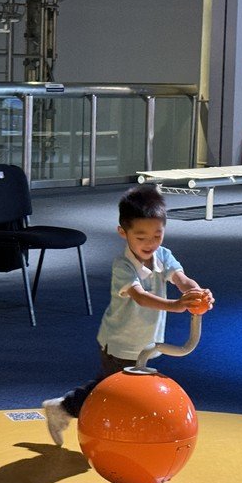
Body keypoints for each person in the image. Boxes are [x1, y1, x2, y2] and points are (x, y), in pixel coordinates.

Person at [42, 184, 213, 446]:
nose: (150, 243)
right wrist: (177, 305)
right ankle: (65, 407)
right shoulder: (123, 266)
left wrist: (197, 293)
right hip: (120, 343)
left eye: (157, 235)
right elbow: (140, 297)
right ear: (123, 233)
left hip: (145, 342)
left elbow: (182, 279)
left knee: (117, 388)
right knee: (112, 390)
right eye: (141, 237)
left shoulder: (163, 255)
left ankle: (71, 409)